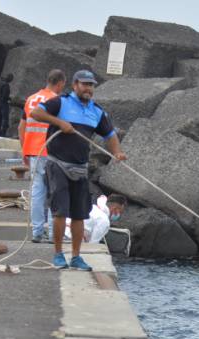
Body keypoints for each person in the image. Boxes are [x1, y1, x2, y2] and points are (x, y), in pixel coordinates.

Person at [30, 70, 126, 270]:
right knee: (60, 212)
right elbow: (36, 113)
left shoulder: (96, 112)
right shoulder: (61, 102)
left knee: (79, 214)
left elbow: (110, 134)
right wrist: (60, 123)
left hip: (81, 167)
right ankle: (58, 254)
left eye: (91, 85)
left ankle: (75, 256)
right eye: (84, 84)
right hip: (58, 164)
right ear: (74, 85)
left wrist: (117, 152)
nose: (88, 88)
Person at [20, 69, 66, 242]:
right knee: (56, 192)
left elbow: (21, 127)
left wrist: (24, 149)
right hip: (52, 151)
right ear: (60, 83)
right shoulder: (57, 101)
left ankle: (37, 232)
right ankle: (55, 234)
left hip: (33, 152)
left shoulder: (31, 99)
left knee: (37, 192)